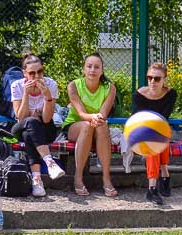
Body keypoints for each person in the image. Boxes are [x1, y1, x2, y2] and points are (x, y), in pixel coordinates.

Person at [61, 53, 118, 197]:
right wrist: (93, 117)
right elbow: (81, 113)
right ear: (84, 69)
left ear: (102, 70)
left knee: (102, 125)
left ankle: (106, 178)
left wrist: (98, 118)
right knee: (87, 124)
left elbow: (104, 112)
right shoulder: (73, 85)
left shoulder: (110, 88)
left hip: (98, 125)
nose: (93, 70)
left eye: (97, 67)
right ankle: (78, 178)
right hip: (76, 126)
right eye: (89, 66)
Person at [11, 53, 66, 197]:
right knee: (30, 122)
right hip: (21, 127)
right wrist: (26, 94)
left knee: (30, 131)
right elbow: (21, 117)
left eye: (40, 71)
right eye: (32, 73)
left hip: (44, 129)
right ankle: (49, 162)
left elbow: (47, 119)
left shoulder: (51, 84)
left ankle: (37, 180)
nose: (36, 76)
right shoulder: (17, 85)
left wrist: (47, 95)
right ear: (25, 74)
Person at [131, 62, 177, 205]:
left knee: (157, 138)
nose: (152, 81)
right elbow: (137, 119)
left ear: (164, 80)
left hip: (160, 129)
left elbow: (164, 117)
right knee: (153, 141)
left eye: (157, 78)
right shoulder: (139, 95)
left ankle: (155, 185)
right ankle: (159, 181)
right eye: (150, 77)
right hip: (140, 132)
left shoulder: (170, 94)